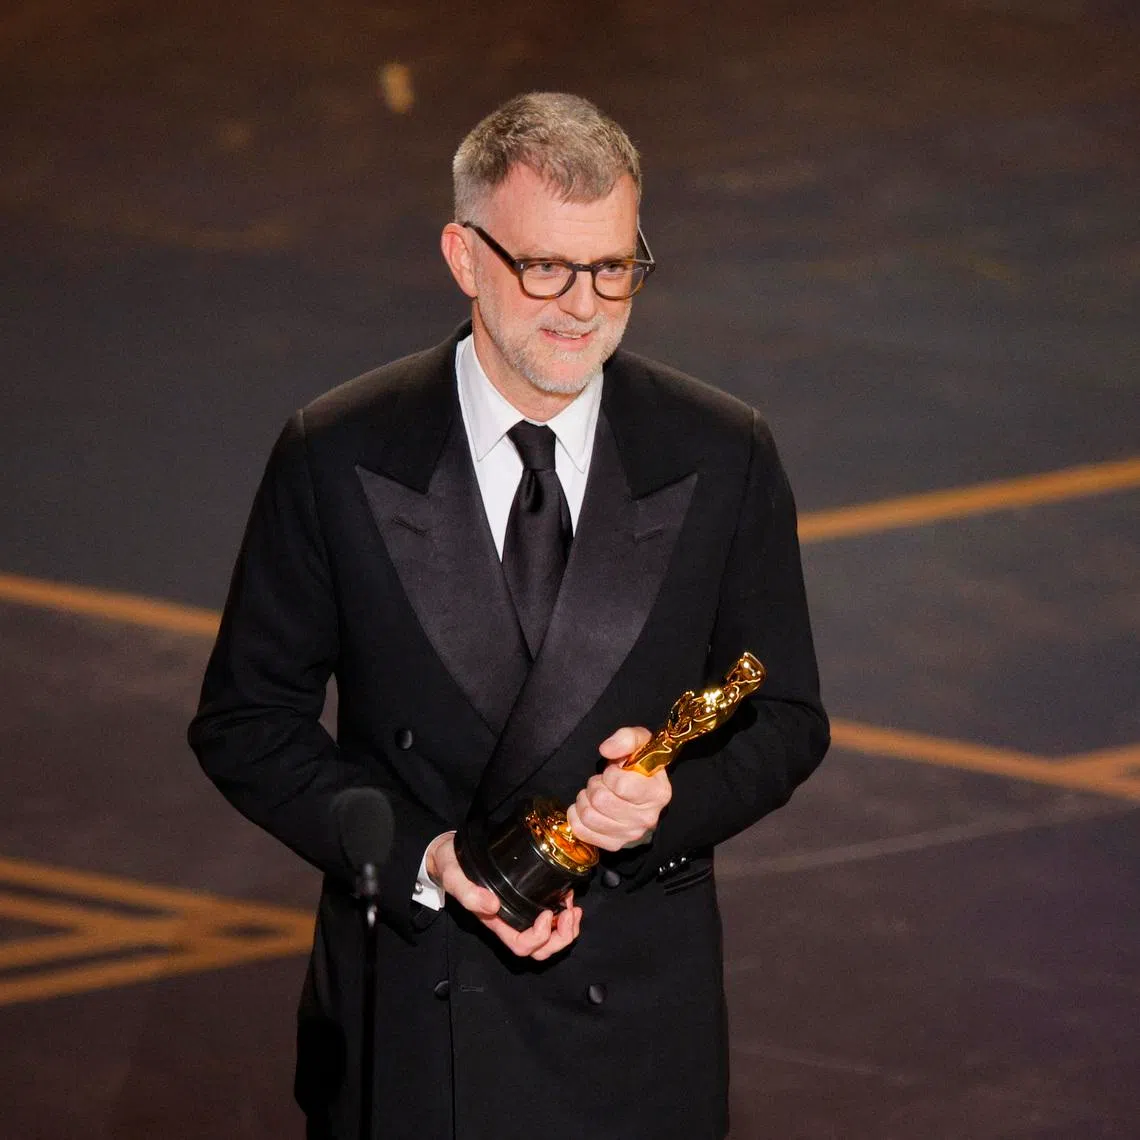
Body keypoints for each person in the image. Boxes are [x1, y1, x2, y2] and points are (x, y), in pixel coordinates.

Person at [189, 91, 828, 1140]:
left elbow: (787, 718)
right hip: (413, 1007)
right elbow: (246, 723)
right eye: (544, 268)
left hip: (633, 1032)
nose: (581, 306)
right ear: (462, 254)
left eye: (613, 267)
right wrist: (424, 856)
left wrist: (666, 805)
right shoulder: (338, 451)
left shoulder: (721, 453)